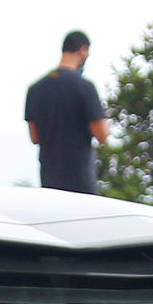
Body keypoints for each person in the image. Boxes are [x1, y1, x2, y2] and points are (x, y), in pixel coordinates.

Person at [25, 29, 107, 192]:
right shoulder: (85, 87)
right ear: (83, 51)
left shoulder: (35, 89)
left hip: (49, 182)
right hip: (81, 182)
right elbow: (102, 135)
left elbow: (35, 137)